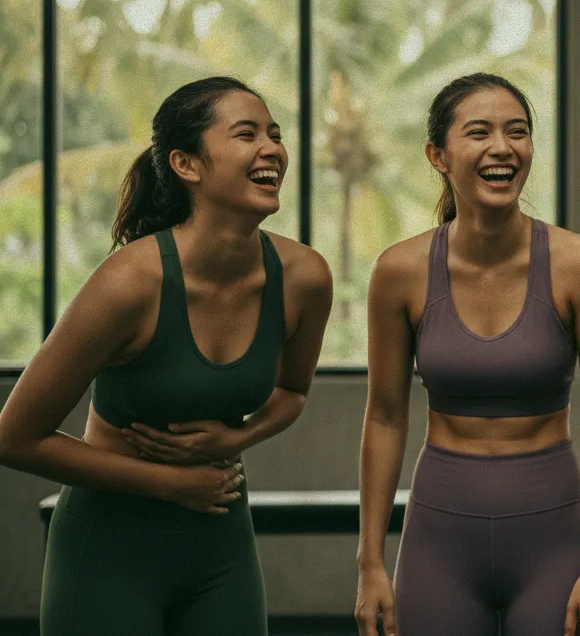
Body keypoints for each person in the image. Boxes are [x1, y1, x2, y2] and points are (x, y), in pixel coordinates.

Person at [0, 76, 333, 636]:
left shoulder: (305, 278)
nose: (272, 148)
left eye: (275, 135)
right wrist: (170, 484)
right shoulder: (130, 283)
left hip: (220, 549)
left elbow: (292, 394)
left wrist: (235, 439)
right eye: (246, 134)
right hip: (109, 552)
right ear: (186, 164)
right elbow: (14, 437)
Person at [354, 73, 580, 636]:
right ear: (438, 155)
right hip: (439, 539)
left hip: (555, 535)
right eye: (478, 132)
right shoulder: (399, 272)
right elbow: (384, 415)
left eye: (518, 132)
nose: (502, 147)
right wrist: (370, 563)